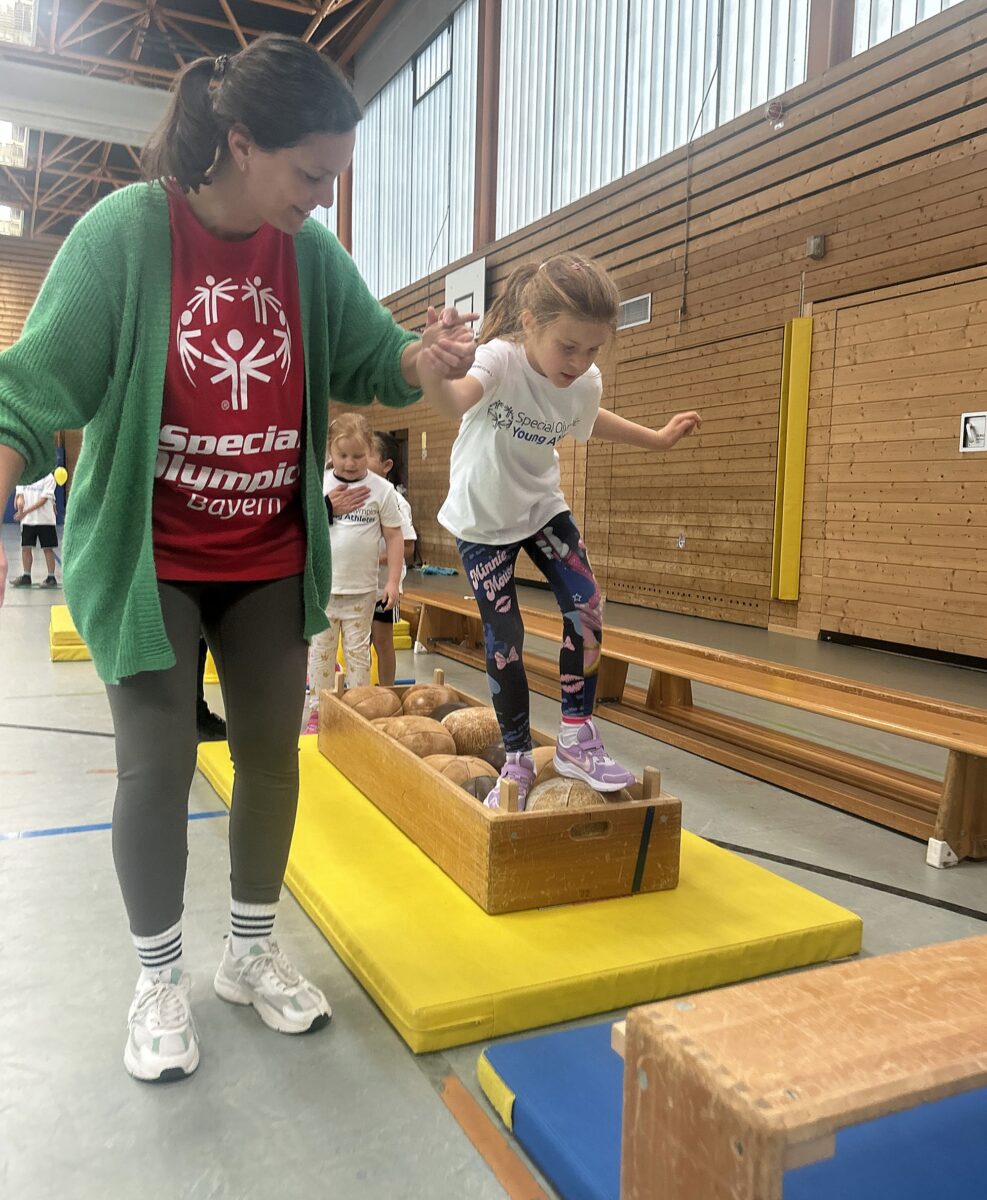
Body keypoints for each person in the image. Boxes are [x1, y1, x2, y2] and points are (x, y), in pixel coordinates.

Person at [0, 35, 474, 1083]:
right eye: (309, 175)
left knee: (270, 755)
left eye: (333, 178)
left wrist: (426, 360)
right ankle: (158, 974)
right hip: (152, 558)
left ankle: (249, 954)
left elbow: (370, 357)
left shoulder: (306, 254)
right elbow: (27, 391)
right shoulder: (127, 234)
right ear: (239, 141)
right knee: (158, 766)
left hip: (266, 552)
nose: (323, 198)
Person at [418, 253, 701, 810]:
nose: (580, 360)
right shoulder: (499, 360)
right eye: (568, 347)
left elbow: (590, 420)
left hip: (542, 508)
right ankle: (518, 755)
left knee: (586, 603)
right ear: (529, 325)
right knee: (506, 636)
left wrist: (658, 438)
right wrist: (432, 366)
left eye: (593, 349)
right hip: (483, 520)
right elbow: (454, 400)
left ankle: (575, 736)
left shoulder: (584, 380)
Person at [305, 414, 404, 731]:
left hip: (362, 590)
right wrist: (325, 506)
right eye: (343, 455)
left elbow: (394, 536)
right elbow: (302, 526)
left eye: (359, 456)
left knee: (358, 652)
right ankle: (319, 708)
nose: (350, 463)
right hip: (324, 588)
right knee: (320, 652)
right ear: (330, 453)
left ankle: (362, 709)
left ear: (370, 452)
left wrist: (392, 581)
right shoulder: (319, 483)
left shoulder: (381, 490)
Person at [368, 430, 416, 686]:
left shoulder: (395, 501)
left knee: (382, 640)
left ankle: (387, 690)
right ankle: (359, 691)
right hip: (358, 585)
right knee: (357, 643)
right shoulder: (355, 496)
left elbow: (407, 546)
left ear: (386, 466)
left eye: (368, 454)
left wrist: (377, 560)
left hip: (383, 587)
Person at [10, 471, 59, 588]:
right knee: (26, 548)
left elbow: (43, 501)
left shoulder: (48, 478)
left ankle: (51, 577)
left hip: (45, 520)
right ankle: (26, 576)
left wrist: (25, 512)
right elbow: (19, 495)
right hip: (28, 521)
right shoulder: (25, 476)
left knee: (47, 548)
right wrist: (19, 502)